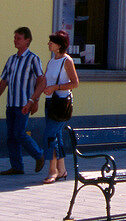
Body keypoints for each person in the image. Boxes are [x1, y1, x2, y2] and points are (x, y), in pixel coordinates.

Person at [0, 27, 45, 175]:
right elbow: (4, 81)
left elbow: (41, 80)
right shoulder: (11, 59)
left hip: (24, 104)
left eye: (18, 38)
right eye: (15, 38)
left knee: (19, 133)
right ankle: (17, 166)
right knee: (11, 136)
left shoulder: (33, 59)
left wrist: (35, 100)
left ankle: (39, 155)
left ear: (27, 40)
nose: (15, 40)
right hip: (11, 103)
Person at [36, 30, 79, 183]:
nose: (48, 44)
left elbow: (75, 83)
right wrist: (33, 99)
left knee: (49, 136)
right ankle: (62, 170)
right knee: (57, 137)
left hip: (62, 104)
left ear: (59, 45)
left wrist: (55, 88)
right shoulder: (52, 61)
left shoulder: (67, 61)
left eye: (51, 42)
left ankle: (52, 170)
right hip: (50, 103)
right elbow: (45, 81)